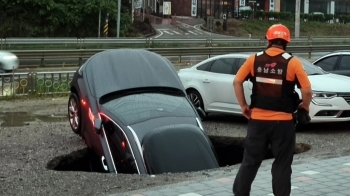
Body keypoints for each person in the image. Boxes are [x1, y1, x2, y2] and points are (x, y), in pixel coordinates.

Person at [232, 24, 312, 196]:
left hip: (257, 121)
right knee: (282, 165)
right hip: (283, 124)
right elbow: (306, 90)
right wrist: (304, 106)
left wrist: (244, 106)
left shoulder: (254, 59)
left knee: (250, 162)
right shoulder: (293, 62)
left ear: (268, 40)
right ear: (286, 42)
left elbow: (237, 81)